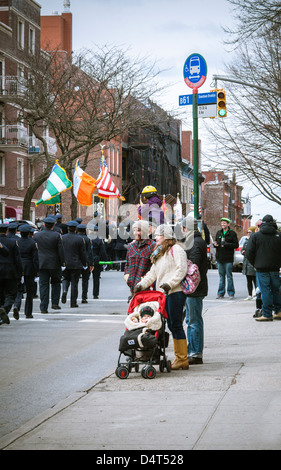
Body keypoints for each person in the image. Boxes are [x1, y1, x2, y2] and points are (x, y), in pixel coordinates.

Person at [134, 224, 188, 370]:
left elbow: (181, 269)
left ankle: (182, 358)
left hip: (175, 292)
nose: (155, 237)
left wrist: (170, 284)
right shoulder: (159, 252)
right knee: (169, 324)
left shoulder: (177, 250)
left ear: (165, 236)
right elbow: (153, 273)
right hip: (162, 294)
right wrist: (141, 285)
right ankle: (180, 357)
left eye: (158, 235)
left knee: (175, 324)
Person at [181, 216, 208, 365]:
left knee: (193, 320)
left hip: (194, 288)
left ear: (186, 228)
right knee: (191, 319)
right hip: (194, 287)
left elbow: (193, 265)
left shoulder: (195, 243)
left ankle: (196, 353)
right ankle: (193, 350)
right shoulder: (195, 242)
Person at [245, 214, 281, 321]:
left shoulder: (255, 236)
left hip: (261, 268)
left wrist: (255, 263)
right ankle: (278, 311)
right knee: (276, 290)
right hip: (275, 268)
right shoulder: (278, 236)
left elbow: (249, 252)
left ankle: (267, 314)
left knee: (265, 290)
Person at [34, 216, 65, 314]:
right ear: (53, 225)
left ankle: (43, 307)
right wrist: (62, 263)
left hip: (41, 263)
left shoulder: (37, 235)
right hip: (54, 263)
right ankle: (55, 303)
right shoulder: (57, 235)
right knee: (56, 283)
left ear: (44, 225)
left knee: (43, 285)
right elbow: (61, 251)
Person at [124, 220, 156, 297]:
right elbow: (127, 264)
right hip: (132, 287)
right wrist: (127, 277)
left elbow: (156, 267)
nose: (135, 233)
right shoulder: (131, 246)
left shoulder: (153, 246)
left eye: (138, 230)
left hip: (147, 288)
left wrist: (145, 280)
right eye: (134, 230)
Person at [0, 223, 23, 325]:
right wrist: (20, 273)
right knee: (12, 294)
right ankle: (4, 309)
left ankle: (1, 315)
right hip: (10, 272)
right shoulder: (13, 242)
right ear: (6, 231)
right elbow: (17, 260)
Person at [61, 221, 87, 308]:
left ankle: (64, 290)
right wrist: (84, 263)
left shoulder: (62, 238)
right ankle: (73, 302)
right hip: (76, 264)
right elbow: (82, 253)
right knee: (74, 283)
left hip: (65, 263)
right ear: (75, 229)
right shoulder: (80, 239)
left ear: (68, 228)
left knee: (65, 279)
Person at [15, 224, 39, 319]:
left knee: (18, 290)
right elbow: (35, 259)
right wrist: (37, 271)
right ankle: (28, 312)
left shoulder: (16, 242)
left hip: (19, 268)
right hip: (29, 268)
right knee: (29, 292)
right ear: (29, 233)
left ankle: (16, 305)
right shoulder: (33, 243)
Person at [214, 217, 239, 299]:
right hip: (219, 258)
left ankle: (231, 293)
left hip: (228, 259)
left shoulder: (232, 233)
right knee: (221, 276)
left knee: (229, 276)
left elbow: (236, 245)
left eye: (224, 223)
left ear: (228, 224)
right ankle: (220, 293)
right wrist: (215, 245)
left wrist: (226, 244)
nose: (222, 224)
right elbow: (216, 242)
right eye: (221, 223)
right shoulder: (218, 233)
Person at [77, 224, 94, 303]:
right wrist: (91, 263)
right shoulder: (87, 239)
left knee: (75, 280)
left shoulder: (75, 238)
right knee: (85, 280)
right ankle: (84, 297)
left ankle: (74, 297)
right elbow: (90, 252)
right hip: (85, 262)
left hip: (76, 261)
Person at [91, 224, 107, 299]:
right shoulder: (99, 239)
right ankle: (95, 294)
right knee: (96, 278)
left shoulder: (88, 239)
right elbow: (102, 251)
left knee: (85, 279)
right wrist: (104, 261)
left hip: (88, 259)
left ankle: (84, 295)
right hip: (96, 259)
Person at [241, 227, 256, 300]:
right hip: (246, 263)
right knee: (248, 281)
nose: (248, 234)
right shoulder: (246, 242)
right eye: (248, 232)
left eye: (250, 232)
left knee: (255, 281)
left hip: (252, 264)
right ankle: (249, 294)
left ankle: (256, 295)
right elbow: (242, 250)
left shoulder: (255, 241)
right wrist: (243, 252)